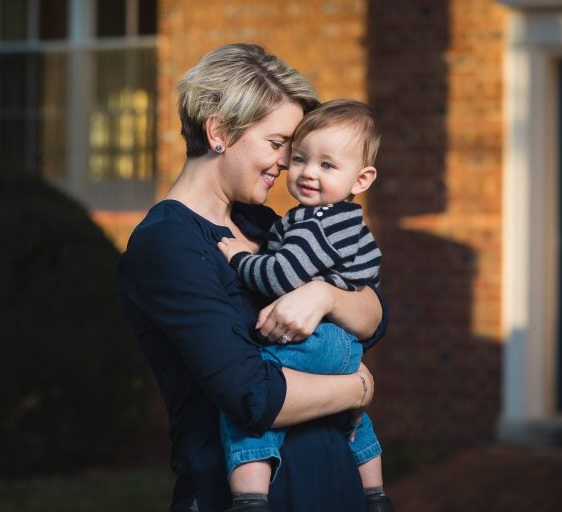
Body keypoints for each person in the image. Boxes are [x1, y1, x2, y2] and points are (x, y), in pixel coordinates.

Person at [118, 43, 387, 512]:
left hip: (332, 486)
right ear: (219, 131)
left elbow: (375, 317)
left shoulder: (261, 224)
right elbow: (251, 396)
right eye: (278, 143)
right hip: (241, 499)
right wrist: (358, 387)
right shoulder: (167, 244)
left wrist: (325, 296)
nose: (288, 163)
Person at [217, 99, 393, 512]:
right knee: (350, 414)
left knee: (253, 395)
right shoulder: (336, 220)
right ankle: (375, 494)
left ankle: (250, 496)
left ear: (362, 179)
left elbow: (280, 276)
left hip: (321, 338)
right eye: (299, 159)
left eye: (327, 165)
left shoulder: (321, 223)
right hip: (344, 342)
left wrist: (241, 257)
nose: (308, 172)